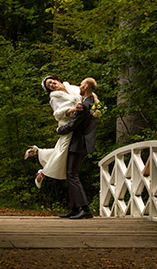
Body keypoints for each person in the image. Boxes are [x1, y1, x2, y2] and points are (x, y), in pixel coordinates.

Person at [24, 75, 82, 188]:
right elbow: (59, 113)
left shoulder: (72, 88)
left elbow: (85, 93)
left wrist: (95, 99)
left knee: (61, 150)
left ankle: (38, 152)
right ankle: (43, 173)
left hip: (79, 123)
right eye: (49, 85)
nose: (51, 84)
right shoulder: (54, 98)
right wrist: (74, 109)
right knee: (62, 152)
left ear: (57, 80)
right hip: (67, 125)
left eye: (51, 81)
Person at [56, 77, 98, 220]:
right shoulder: (93, 102)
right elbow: (99, 113)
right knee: (71, 174)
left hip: (79, 143)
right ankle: (74, 209)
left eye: (81, 85)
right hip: (84, 142)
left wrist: (59, 130)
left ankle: (85, 209)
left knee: (72, 174)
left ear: (85, 86)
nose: (79, 87)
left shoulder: (83, 105)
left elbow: (72, 125)